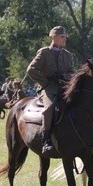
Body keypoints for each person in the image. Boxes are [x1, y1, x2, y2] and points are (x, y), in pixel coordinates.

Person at [26, 25, 74, 154]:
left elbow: (72, 73)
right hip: (49, 88)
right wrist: (46, 82)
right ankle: (46, 139)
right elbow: (31, 70)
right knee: (49, 108)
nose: (65, 39)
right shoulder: (44, 52)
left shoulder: (68, 55)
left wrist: (64, 76)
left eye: (65, 36)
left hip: (65, 87)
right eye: (62, 37)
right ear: (53, 37)